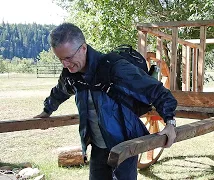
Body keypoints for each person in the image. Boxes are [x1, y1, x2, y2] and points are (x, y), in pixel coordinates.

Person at [34, 23, 177, 180]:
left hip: (125, 146)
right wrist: (47, 111)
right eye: (60, 59)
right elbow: (60, 91)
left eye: (68, 58)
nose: (65, 65)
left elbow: (157, 91)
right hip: (98, 146)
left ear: (83, 48)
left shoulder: (115, 67)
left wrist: (170, 123)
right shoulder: (71, 75)